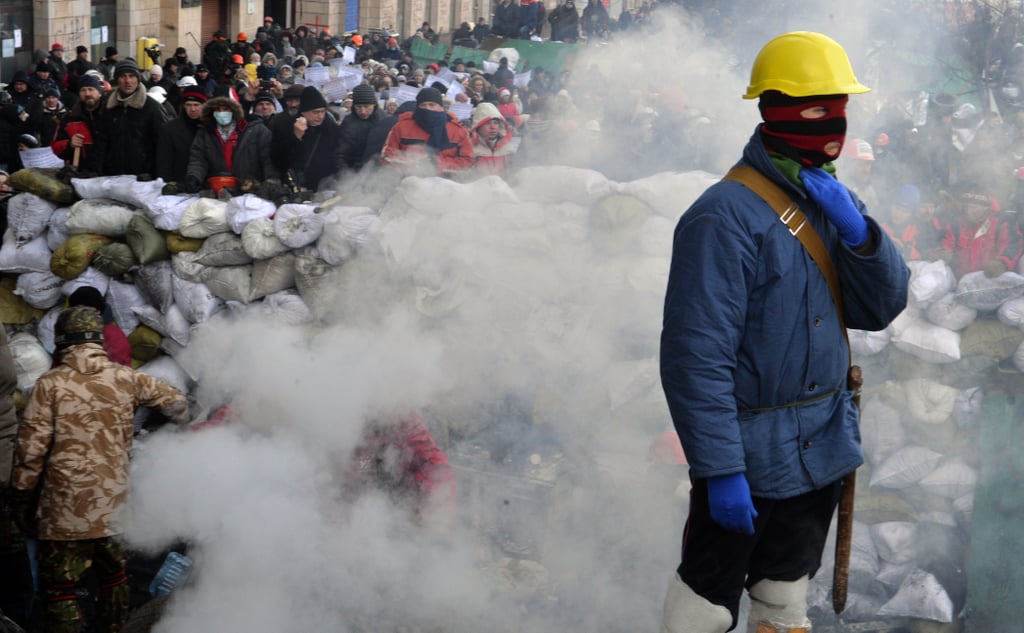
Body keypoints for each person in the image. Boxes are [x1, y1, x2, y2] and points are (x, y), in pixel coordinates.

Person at [658, 31, 909, 633]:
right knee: (703, 611)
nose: (835, 123)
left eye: (840, 105)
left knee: (783, 600)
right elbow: (697, 357)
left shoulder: (835, 197)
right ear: (773, 108)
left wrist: (862, 236)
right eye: (817, 107)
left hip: (821, 447)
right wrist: (719, 470)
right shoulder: (722, 215)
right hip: (747, 457)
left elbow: (880, 308)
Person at [8, 305, 189, 633]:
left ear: (62, 341)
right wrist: (180, 425)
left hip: (63, 509)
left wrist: (21, 501)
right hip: (113, 507)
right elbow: (176, 403)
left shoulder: (49, 385)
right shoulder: (126, 377)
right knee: (114, 578)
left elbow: (30, 453)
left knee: (61, 587)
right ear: (97, 340)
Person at [186, 94, 279, 193]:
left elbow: (268, 158)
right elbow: (198, 159)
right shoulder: (205, 132)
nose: (221, 113)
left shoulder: (256, 129)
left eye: (226, 109)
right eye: (217, 110)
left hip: (250, 187)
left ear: (234, 110)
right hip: (217, 187)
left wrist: (271, 179)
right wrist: (194, 177)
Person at [381, 87, 474, 177]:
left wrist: (441, 164)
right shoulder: (401, 127)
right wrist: (412, 164)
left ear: (441, 107)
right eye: (423, 105)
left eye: (432, 105)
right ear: (417, 107)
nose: (427, 109)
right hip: (409, 183)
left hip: (446, 185)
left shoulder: (457, 130)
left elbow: (468, 160)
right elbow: (387, 156)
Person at [96, 59, 165, 177]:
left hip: (142, 176)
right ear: (117, 79)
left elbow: (161, 143)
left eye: (132, 76)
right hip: (112, 175)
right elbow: (102, 141)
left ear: (138, 79)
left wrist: (154, 173)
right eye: (123, 76)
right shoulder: (108, 106)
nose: (128, 81)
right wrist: (98, 169)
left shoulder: (151, 107)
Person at [939, 186, 1023, 278]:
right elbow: (946, 241)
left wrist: (1002, 263)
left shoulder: (1000, 223)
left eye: (974, 207)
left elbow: (1011, 244)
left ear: (986, 208)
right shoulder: (957, 224)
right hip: (959, 282)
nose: (969, 210)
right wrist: (942, 253)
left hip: (991, 279)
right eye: (967, 207)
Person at [272, 86, 342, 191]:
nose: (320, 116)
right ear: (303, 112)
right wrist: (296, 137)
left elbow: (338, 155)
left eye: (322, 111)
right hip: (297, 186)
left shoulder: (331, 128)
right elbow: (278, 159)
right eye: (315, 112)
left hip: (325, 185)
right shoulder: (286, 126)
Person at [51, 74, 107, 174]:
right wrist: (69, 144)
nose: (87, 93)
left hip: (110, 173)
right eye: (83, 90)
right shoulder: (69, 119)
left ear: (99, 93)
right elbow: (55, 147)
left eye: (91, 89)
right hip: (82, 175)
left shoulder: (111, 115)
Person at [67, 286, 132, 366]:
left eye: (83, 311)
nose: (77, 315)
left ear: (97, 311)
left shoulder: (112, 336)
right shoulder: (68, 334)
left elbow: (119, 371)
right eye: (74, 311)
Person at [157, 87, 207, 186]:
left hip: (205, 184)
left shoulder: (210, 128)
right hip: (178, 184)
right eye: (188, 105)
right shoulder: (169, 129)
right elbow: (164, 161)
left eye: (196, 105)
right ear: (184, 106)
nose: (192, 109)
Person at [338, 84, 384, 171]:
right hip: (354, 171)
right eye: (358, 107)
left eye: (366, 106)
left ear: (374, 105)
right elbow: (340, 154)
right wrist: (345, 176)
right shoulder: (348, 123)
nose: (363, 111)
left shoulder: (382, 118)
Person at [469, 102, 519, 176]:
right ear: (478, 126)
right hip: (478, 186)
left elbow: (515, 172)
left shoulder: (508, 147)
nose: (493, 127)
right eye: (487, 123)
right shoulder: (469, 147)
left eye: (495, 123)